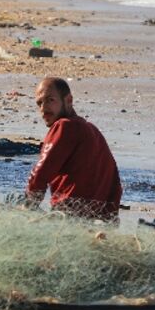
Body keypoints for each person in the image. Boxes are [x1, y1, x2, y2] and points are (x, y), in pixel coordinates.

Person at [26, 76, 122, 219]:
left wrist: (28, 204)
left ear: (68, 100)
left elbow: (41, 172)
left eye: (50, 100)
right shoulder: (93, 132)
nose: (43, 109)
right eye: (39, 103)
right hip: (97, 221)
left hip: (67, 219)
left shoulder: (64, 126)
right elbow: (115, 184)